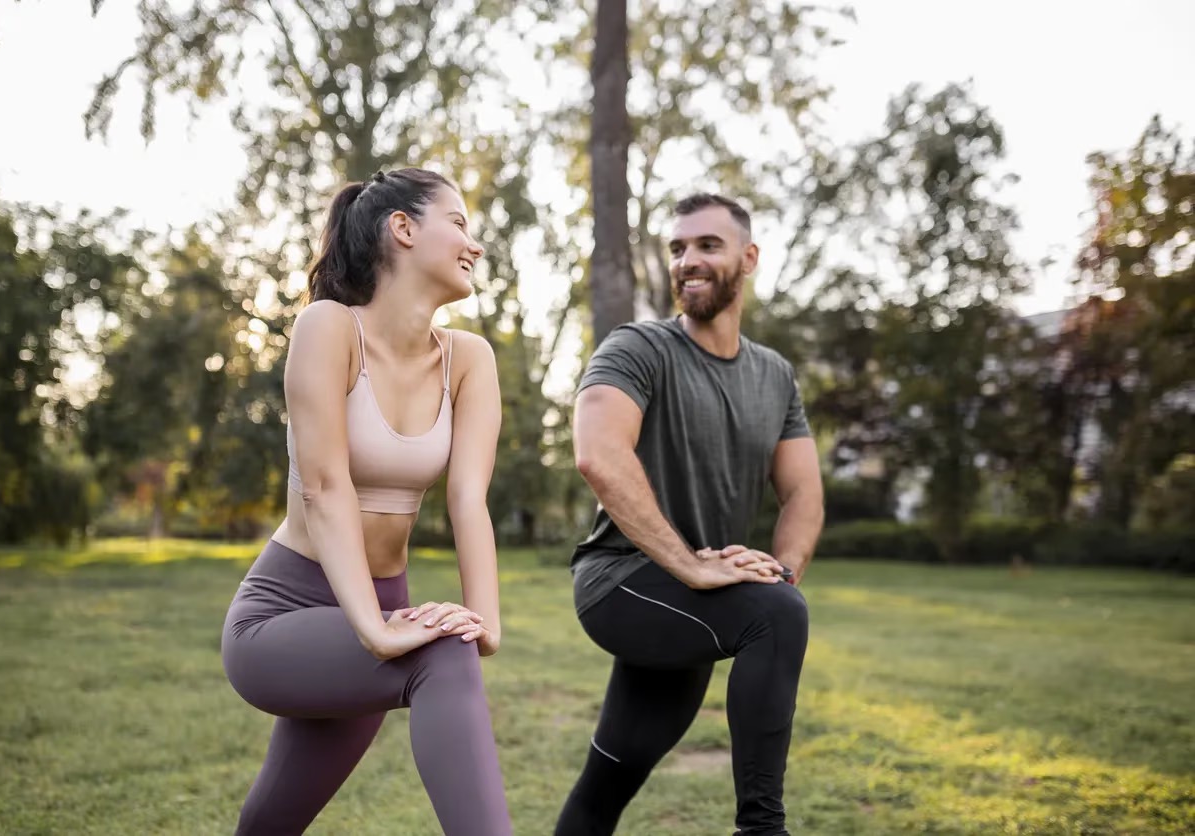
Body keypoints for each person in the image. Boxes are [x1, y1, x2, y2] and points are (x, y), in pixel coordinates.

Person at [220, 168, 511, 835]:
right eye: (460, 223)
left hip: (380, 608)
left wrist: (484, 622)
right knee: (442, 651)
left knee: (271, 821)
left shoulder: (469, 359)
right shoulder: (329, 328)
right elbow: (323, 488)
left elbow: (469, 499)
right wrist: (375, 630)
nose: (477, 244)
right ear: (403, 229)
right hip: (282, 615)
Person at [555, 193, 825, 836]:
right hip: (621, 582)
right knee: (778, 616)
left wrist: (776, 572)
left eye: (707, 245)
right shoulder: (638, 347)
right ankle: (762, 829)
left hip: (695, 597)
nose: (687, 260)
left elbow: (804, 494)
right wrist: (691, 567)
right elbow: (597, 453)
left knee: (607, 783)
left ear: (748, 258)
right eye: (677, 248)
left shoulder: (775, 375)